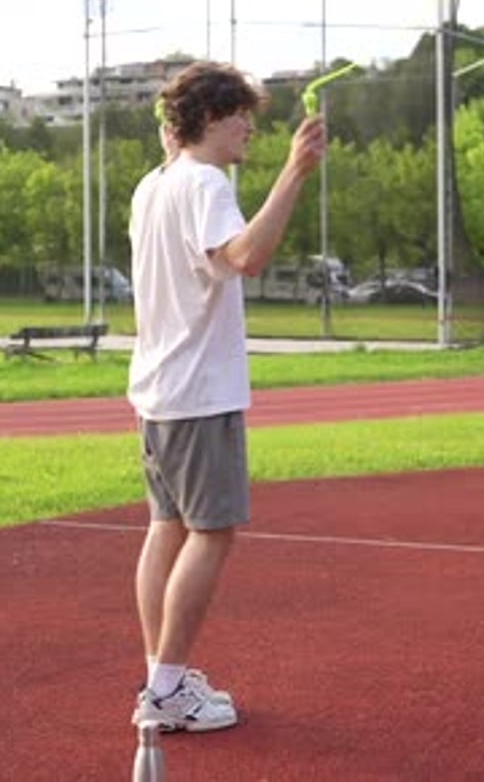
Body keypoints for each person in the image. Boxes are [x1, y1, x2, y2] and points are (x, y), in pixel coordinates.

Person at [128, 60, 326, 733]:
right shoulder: (206, 182)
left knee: (166, 529)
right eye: (241, 114)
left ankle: (162, 678)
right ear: (210, 117)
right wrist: (294, 173)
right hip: (199, 392)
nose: (250, 127)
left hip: (159, 391)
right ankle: (165, 690)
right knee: (210, 533)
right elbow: (245, 257)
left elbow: (213, 262)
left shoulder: (154, 185)